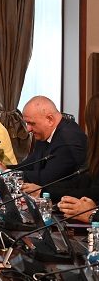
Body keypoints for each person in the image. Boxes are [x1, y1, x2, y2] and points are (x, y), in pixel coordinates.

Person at [0, 95, 86, 185]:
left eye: (32, 123)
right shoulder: (45, 133)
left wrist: (5, 173)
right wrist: (5, 168)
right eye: (26, 123)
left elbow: (47, 178)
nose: (28, 129)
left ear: (50, 119)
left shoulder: (69, 139)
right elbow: (31, 164)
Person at [36, 94, 99, 222]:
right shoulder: (94, 151)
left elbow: (95, 193)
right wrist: (43, 191)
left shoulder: (70, 138)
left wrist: (92, 214)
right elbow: (82, 181)